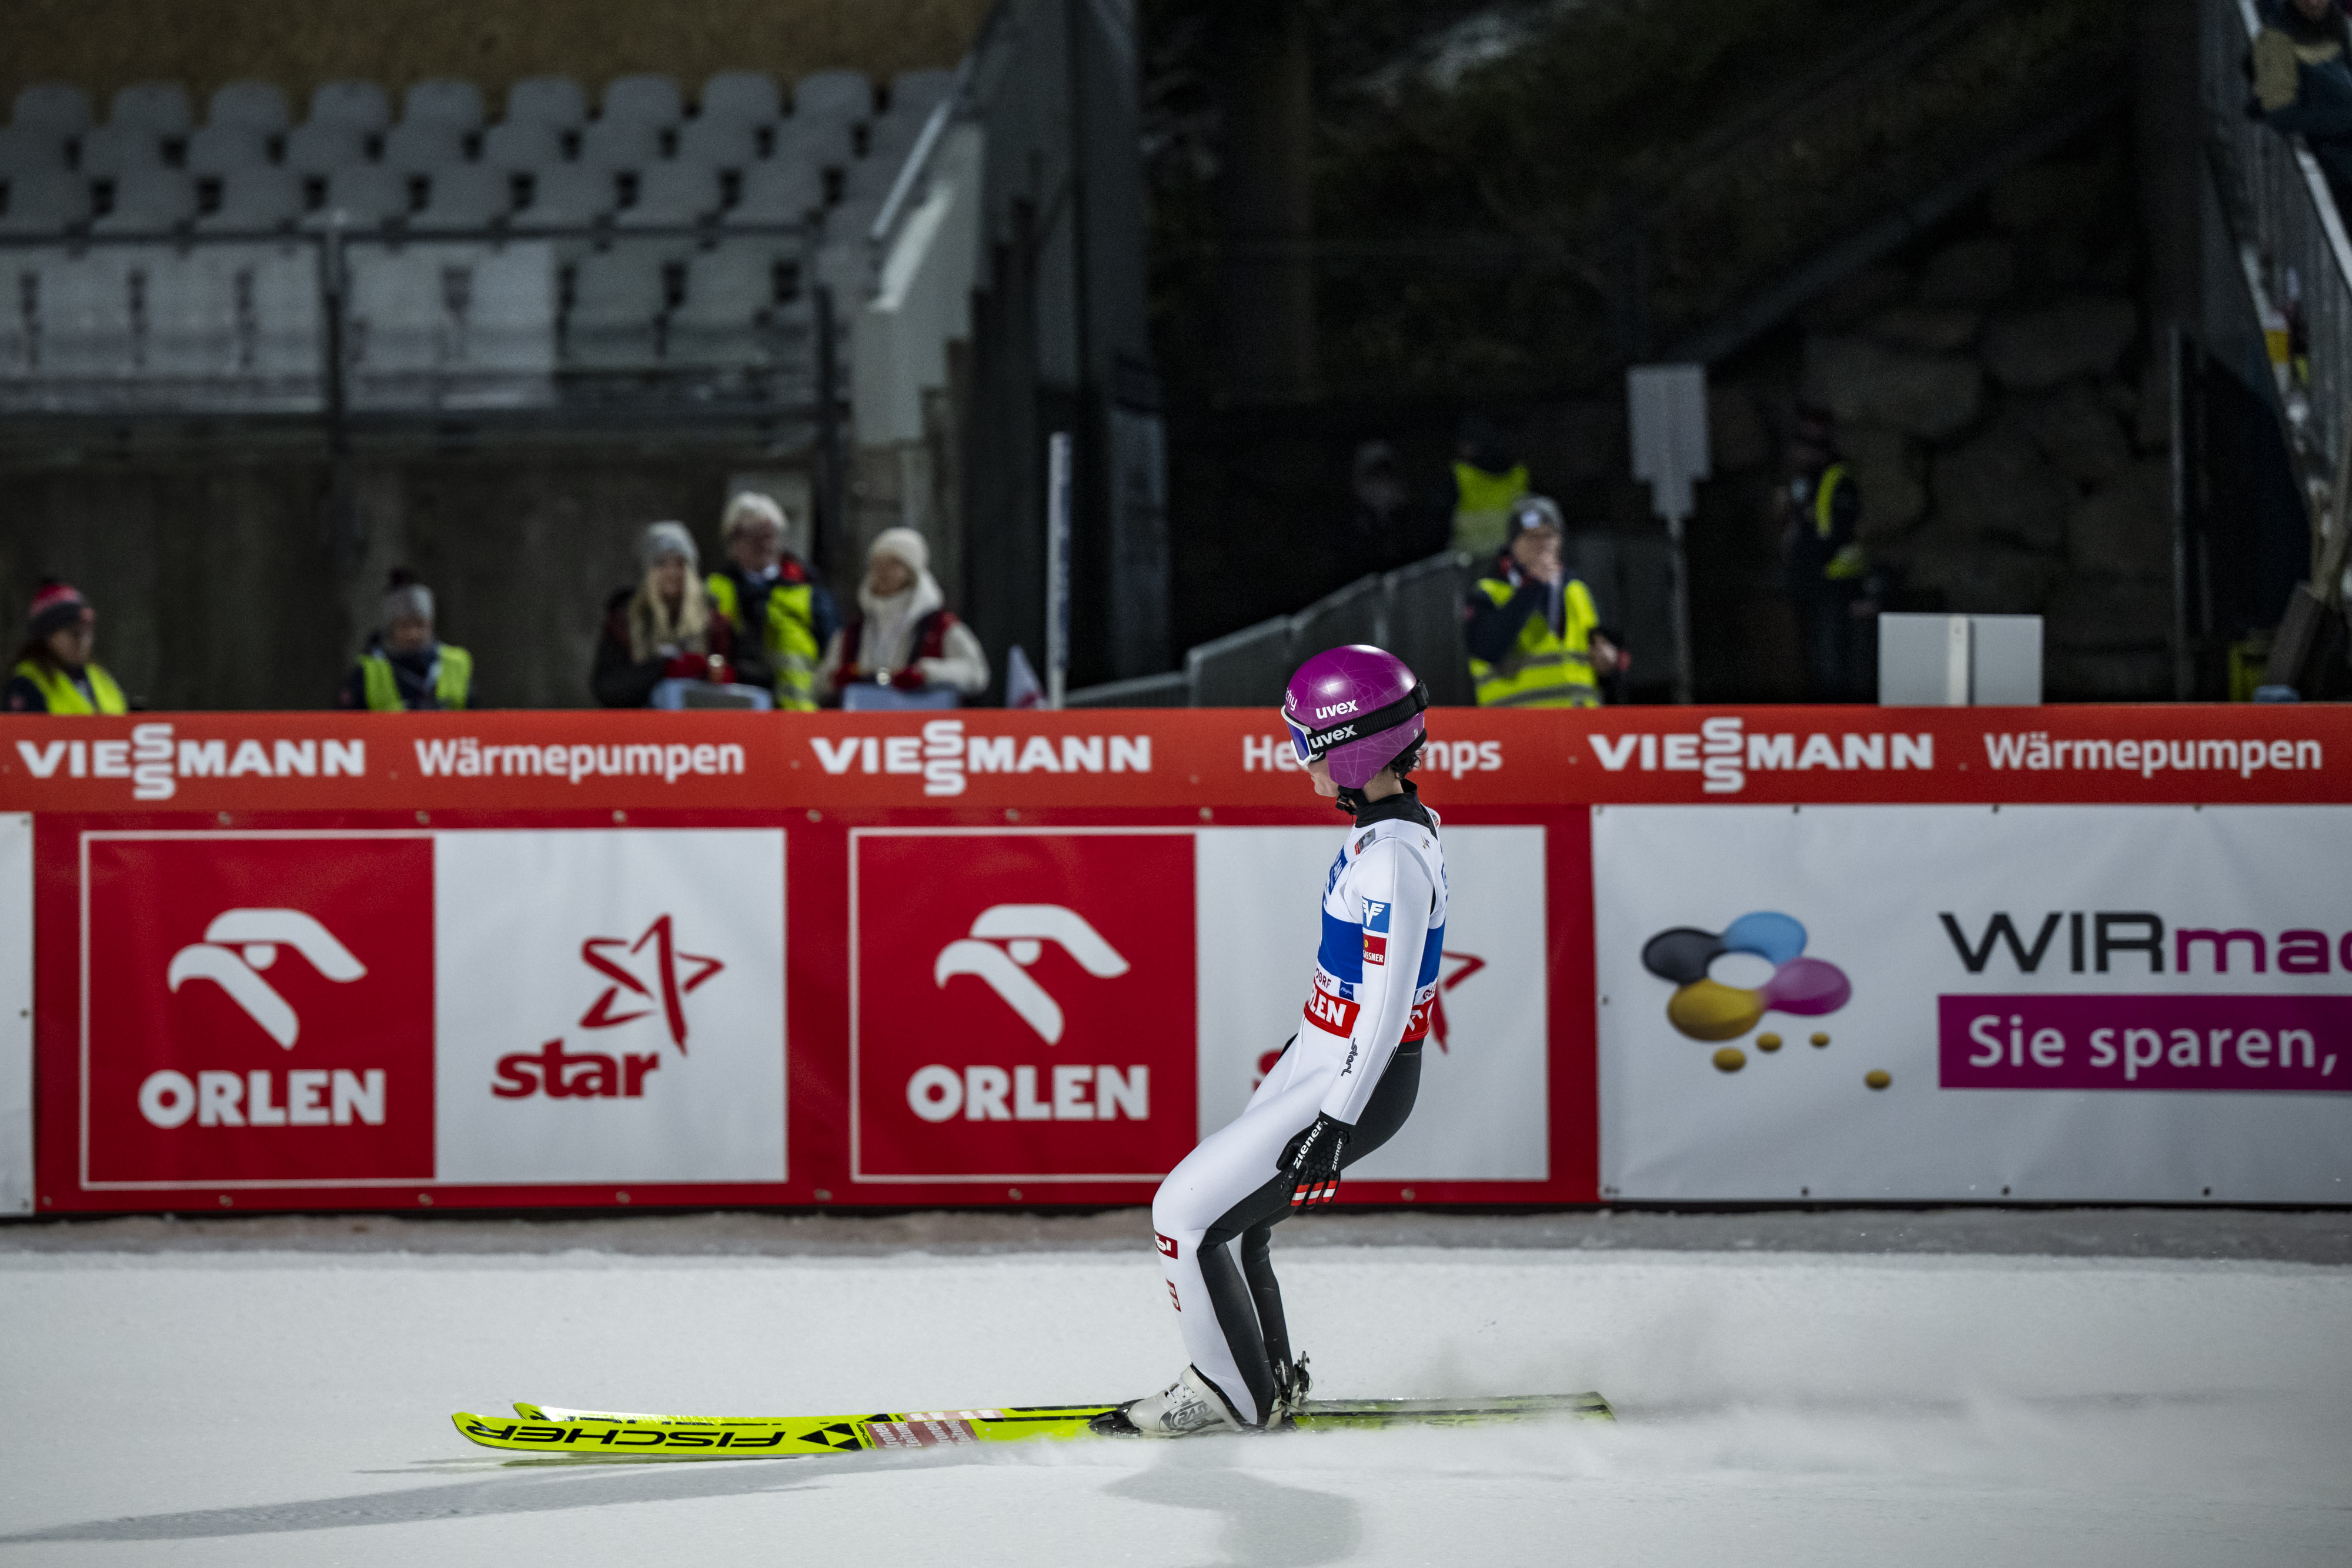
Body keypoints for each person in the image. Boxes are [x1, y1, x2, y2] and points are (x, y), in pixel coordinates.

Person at [1098, 646, 1445, 1438]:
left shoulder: (1392, 858)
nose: (1303, 763)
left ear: (1353, 747)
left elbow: (1388, 1015)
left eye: (1310, 745)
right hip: (1328, 1061)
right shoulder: (1397, 831)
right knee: (1233, 1220)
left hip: (1354, 1077)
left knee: (1180, 1214)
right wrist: (1310, 1059)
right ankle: (1268, 1380)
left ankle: (1231, 1394)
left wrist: (1335, 1115)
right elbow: (1366, 997)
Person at [1462, 496, 1627, 708]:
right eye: (1531, 537)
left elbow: (1610, 664)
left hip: (1580, 727)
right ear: (1513, 543)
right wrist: (1531, 587)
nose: (1542, 545)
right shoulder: (1488, 592)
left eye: (1549, 535)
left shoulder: (1578, 592)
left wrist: (1610, 666)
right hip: (1517, 729)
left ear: (1560, 540)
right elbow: (1487, 649)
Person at [593, 521, 769, 708]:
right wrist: (663, 669)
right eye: (661, 564)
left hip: (707, 729)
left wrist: (722, 673)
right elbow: (607, 689)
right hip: (643, 730)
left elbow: (759, 676)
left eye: (680, 564)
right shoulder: (624, 622)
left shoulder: (716, 624)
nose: (672, 573)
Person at [818, 527, 989, 703]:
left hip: (921, 723)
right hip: (861, 725)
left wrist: (927, 674)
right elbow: (820, 682)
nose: (883, 571)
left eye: (894, 563)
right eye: (877, 564)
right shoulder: (854, 630)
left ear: (913, 571)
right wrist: (838, 678)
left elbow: (976, 674)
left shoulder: (941, 627)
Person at [704, 491, 838, 713]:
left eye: (771, 535)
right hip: (734, 711)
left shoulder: (808, 591)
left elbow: (832, 655)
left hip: (798, 715)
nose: (765, 545)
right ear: (733, 540)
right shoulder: (715, 589)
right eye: (755, 536)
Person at [1778, 406, 1874, 701]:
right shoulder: (1804, 482)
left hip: (1836, 589)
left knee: (1835, 671)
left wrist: (1857, 592)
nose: (1801, 451)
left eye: (1810, 443)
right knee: (1819, 668)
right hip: (1811, 588)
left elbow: (1839, 538)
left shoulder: (1836, 479)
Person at [2250, 0, 2352, 199]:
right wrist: (2343, 118)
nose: (2314, 3)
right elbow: (2281, 115)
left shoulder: (2336, 24)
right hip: (2331, 159)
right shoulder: (2277, 38)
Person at [339, 570, 472, 711]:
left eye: (420, 624)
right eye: (405, 626)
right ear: (391, 629)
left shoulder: (457, 662)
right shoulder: (368, 670)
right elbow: (350, 726)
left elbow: (476, 718)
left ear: (431, 625)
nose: (413, 634)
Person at [6, 579, 128, 714]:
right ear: (48, 636)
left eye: (89, 632)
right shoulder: (27, 685)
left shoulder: (100, 677)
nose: (85, 641)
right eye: (75, 634)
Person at [1447, 413, 1529, 560]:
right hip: (1513, 560)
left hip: (1473, 564)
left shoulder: (1460, 476)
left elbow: (1438, 525)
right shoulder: (1519, 474)